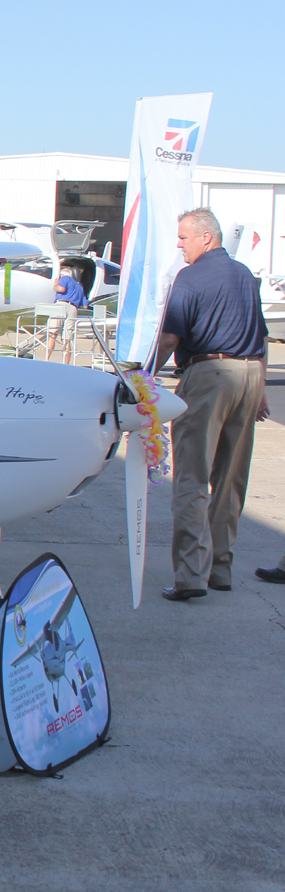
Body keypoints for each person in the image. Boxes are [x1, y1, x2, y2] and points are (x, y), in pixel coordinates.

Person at [152, 207, 269, 601]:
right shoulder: (244, 276)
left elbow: (170, 339)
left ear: (207, 237)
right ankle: (221, 569)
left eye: (184, 238)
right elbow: (262, 335)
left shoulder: (191, 277)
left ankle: (190, 575)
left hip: (209, 375)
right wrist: (261, 391)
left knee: (191, 476)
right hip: (250, 375)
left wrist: (145, 377)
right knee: (231, 479)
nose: (179, 245)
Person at [44, 266, 90, 362]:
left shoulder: (65, 278)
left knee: (53, 332)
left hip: (62, 305)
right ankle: (66, 362)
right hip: (73, 308)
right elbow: (85, 306)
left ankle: (46, 359)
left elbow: (61, 289)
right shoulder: (79, 287)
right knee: (67, 337)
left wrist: (55, 286)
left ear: (62, 275)